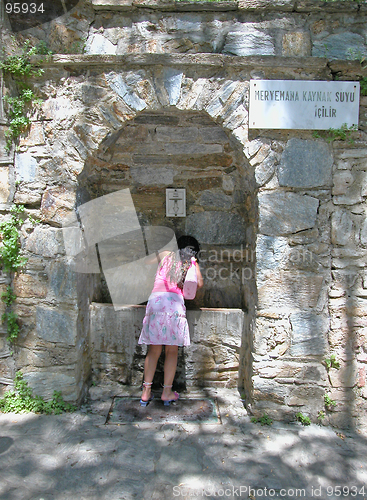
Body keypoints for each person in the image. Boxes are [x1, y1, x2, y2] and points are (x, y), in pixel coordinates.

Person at [138, 235, 204, 406]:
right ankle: (167, 392)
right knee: (171, 351)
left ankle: (146, 392)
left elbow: (146, 262)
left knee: (154, 350)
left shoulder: (166, 253)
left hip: (156, 303)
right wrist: (194, 262)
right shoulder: (190, 263)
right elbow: (200, 283)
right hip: (174, 305)